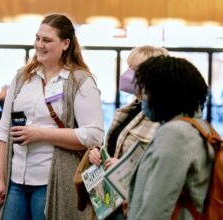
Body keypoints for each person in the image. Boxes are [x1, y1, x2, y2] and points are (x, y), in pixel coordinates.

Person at [0, 13, 104, 220]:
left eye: (47, 40)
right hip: (14, 182)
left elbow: (94, 135)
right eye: (38, 38)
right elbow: (3, 131)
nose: (39, 45)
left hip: (53, 182)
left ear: (65, 43)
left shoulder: (80, 81)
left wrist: (41, 134)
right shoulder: (23, 77)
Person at [127, 55, 214, 219]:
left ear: (164, 94)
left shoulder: (176, 134)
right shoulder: (199, 127)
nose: (142, 98)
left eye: (146, 91)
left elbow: (156, 209)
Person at [88, 46, 168, 219]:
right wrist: (96, 152)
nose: (127, 74)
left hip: (134, 205)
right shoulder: (130, 109)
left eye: (135, 69)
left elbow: (160, 165)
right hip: (110, 200)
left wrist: (126, 167)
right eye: (128, 67)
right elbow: (112, 146)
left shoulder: (162, 117)